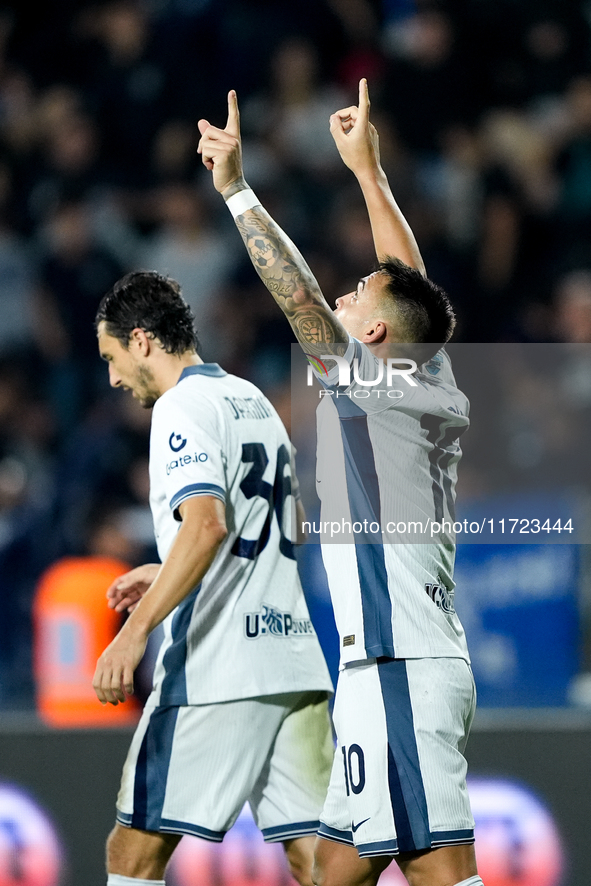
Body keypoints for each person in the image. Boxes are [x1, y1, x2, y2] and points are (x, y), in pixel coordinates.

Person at [198, 80, 484, 886]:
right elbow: (406, 281)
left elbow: (300, 303)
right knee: (331, 871)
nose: (348, 291)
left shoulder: (377, 385)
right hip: (383, 669)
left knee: (440, 870)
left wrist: (236, 192)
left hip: (398, 667)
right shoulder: (423, 375)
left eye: (358, 297)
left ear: (373, 334)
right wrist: (369, 173)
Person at [93, 271, 334, 886]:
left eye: (112, 357)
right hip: (295, 665)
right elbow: (289, 522)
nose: (113, 378)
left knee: (133, 855)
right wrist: (168, 561)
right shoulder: (251, 398)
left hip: (217, 669)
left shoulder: (179, 407)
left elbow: (206, 524)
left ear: (141, 339)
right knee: (317, 863)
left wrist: (134, 632)